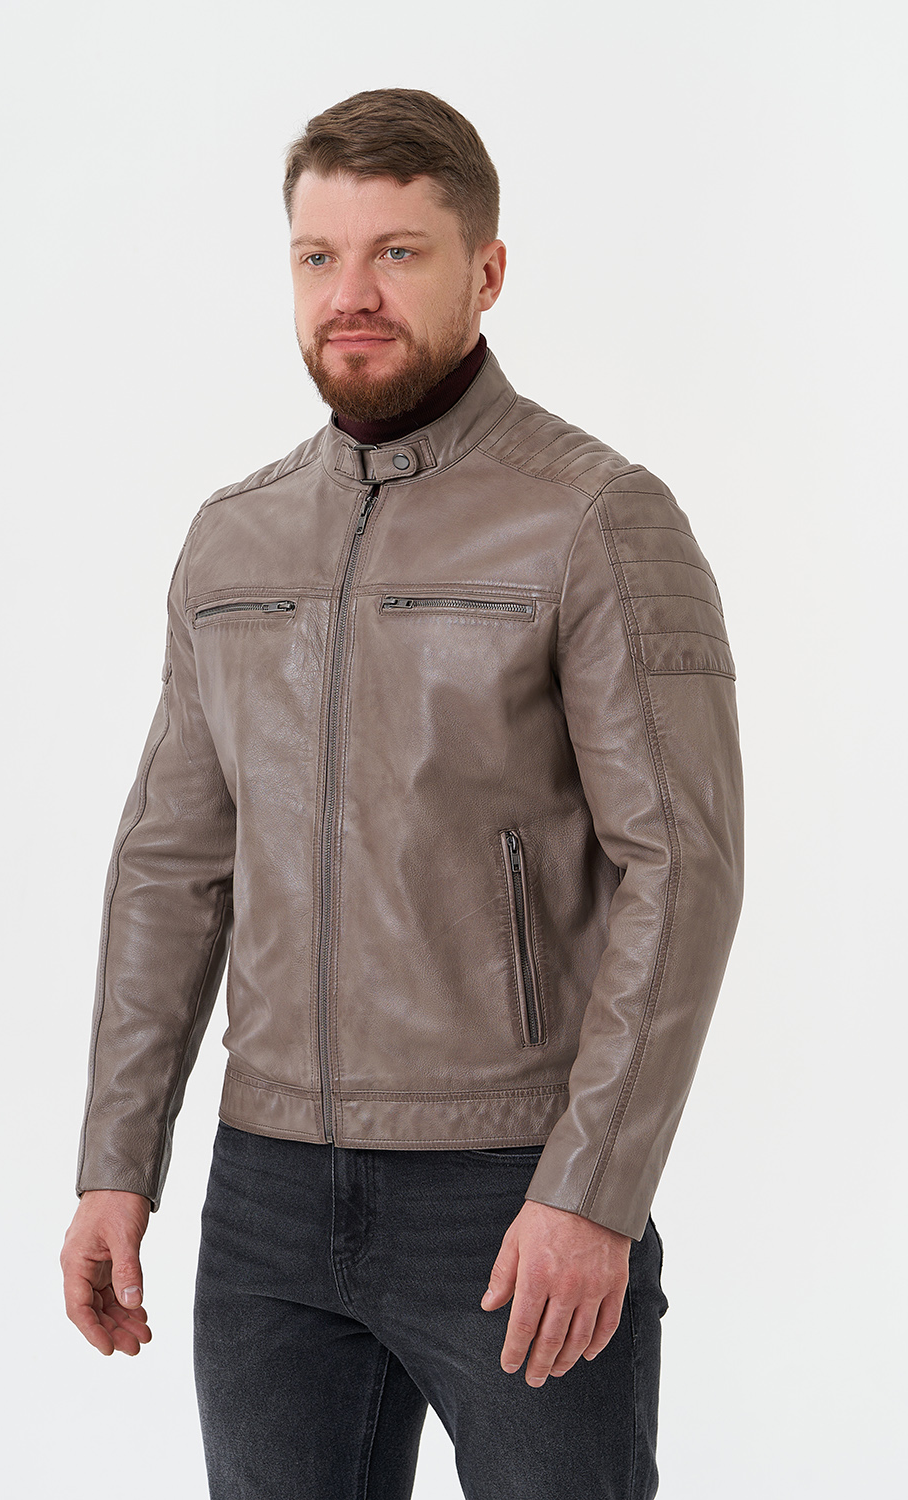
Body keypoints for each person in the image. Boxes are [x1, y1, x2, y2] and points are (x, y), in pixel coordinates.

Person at [60, 88, 744, 1499]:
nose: (350, 294)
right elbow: (173, 867)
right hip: (265, 1201)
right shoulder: (233, 540)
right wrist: (116, 1164)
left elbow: (682, 871)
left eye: (398, 253)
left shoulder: (597, 519)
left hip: (509, 1187)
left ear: (485, 272)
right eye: (318, 255)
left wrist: (592, 1191)